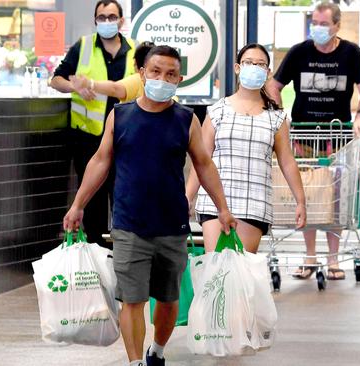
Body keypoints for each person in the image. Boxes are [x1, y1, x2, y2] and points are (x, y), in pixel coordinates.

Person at [63, 46, 237, 366]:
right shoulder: (121, 115)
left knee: (168, 300)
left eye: (170, 74)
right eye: (155, 71)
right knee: (132, 300)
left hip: (171, 224)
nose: (161, 78)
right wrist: (78, 205)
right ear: (142, 73)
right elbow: (101, 161)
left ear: (179, 79)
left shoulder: (186, 119)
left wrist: (222, 208)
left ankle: (156, 350)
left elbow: (204, 165)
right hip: (129, 223)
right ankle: (135, 363)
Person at [266, 1, 360, 280]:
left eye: (324, 24)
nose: (318, 28)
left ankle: (334, 259)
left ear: (337, 25)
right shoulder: (300, 52)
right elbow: (274, 86)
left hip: (336, 134)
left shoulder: (351, 53)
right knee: (309, 195)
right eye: (315, 22)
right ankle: (311, 255)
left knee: (335, 196)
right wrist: (279, 116)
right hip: (304, 132)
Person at [186, 43, 307, 253]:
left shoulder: (276, 118)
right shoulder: (217, 111)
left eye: (260, 65)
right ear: (237, 68)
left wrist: (301, 201)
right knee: (216, 272)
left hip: (254, 204)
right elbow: (201, 160)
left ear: (268, 73)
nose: (253, 68)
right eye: (248, 63)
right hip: (214, 201)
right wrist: (186, 198)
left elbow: (287, 161)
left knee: (241, 272)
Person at [50, 0, 137, 248]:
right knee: (94, 199)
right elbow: (56, 79)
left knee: (124, 194)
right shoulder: (83, 46)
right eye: (102, 17)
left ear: (121, 21)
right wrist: (73, 86)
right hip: (88, 137)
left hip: (126, 134)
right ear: (95, 20)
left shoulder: (136, 50)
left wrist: (91, 84)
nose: (107, 22)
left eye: (112, 17)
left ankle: (124, 251)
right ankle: (98, 250)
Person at [70, 41, 156, 103]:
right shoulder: (161, 81)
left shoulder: (139, 79)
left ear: (135, 62)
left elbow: (114, 88)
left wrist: (89, 83)